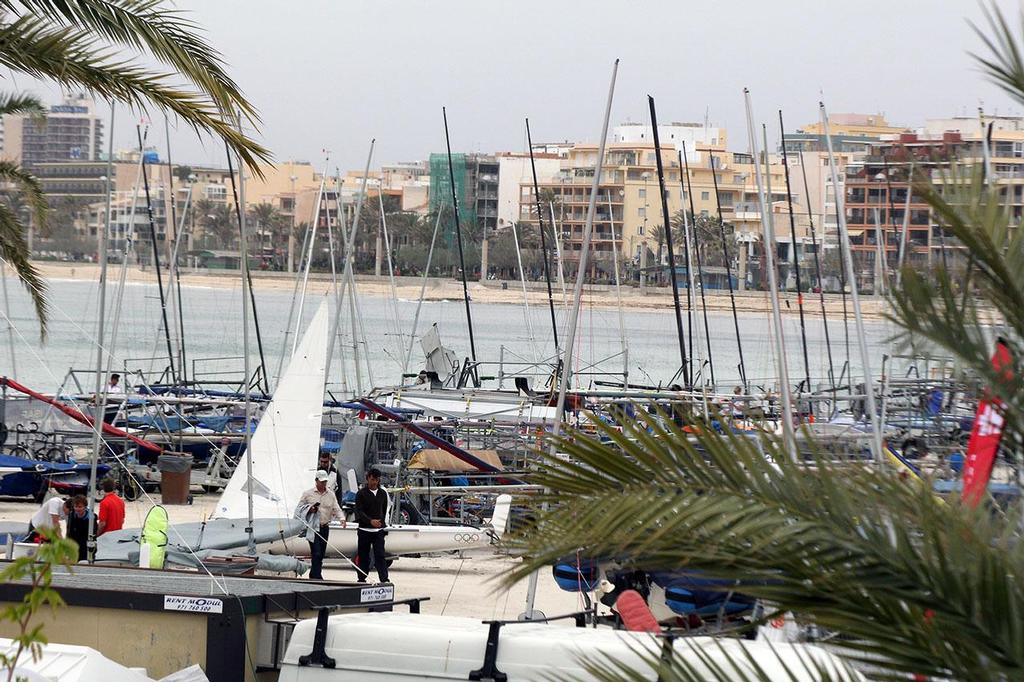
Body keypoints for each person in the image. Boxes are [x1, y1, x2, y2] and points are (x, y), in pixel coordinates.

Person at [297, 470, 345, 580]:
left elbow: (336, 508)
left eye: (325, 482)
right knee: (317, 552)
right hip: (313, 528)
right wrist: (310, 509)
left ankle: (314, 574)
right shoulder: (307, 494)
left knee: (321, 554)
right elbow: (299, 509)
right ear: (316, 481)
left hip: (324, 527)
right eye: (322, 481)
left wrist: (342, 518)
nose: (324, 484)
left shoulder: (331, 494)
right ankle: (317, 576)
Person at [354, 467, 389, 583]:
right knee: (363, 556)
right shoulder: (361, 494)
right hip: (364, 530)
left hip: (378, 531)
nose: (374, 482)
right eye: (372, 479)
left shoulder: (382, 493)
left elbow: (383, 510)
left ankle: (384, 579)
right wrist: (370, 521)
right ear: (367, 478)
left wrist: (381, 523)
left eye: (377, 480)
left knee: (380, 555)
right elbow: (359, 511)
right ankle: (361, 578)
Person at [65, 494, 91, 561]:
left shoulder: (91, 518)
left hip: (85, 547)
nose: (77, 509)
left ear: (85, 507)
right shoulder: (71, 515)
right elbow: (69, 532)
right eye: (76, 506)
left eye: (80, 507)